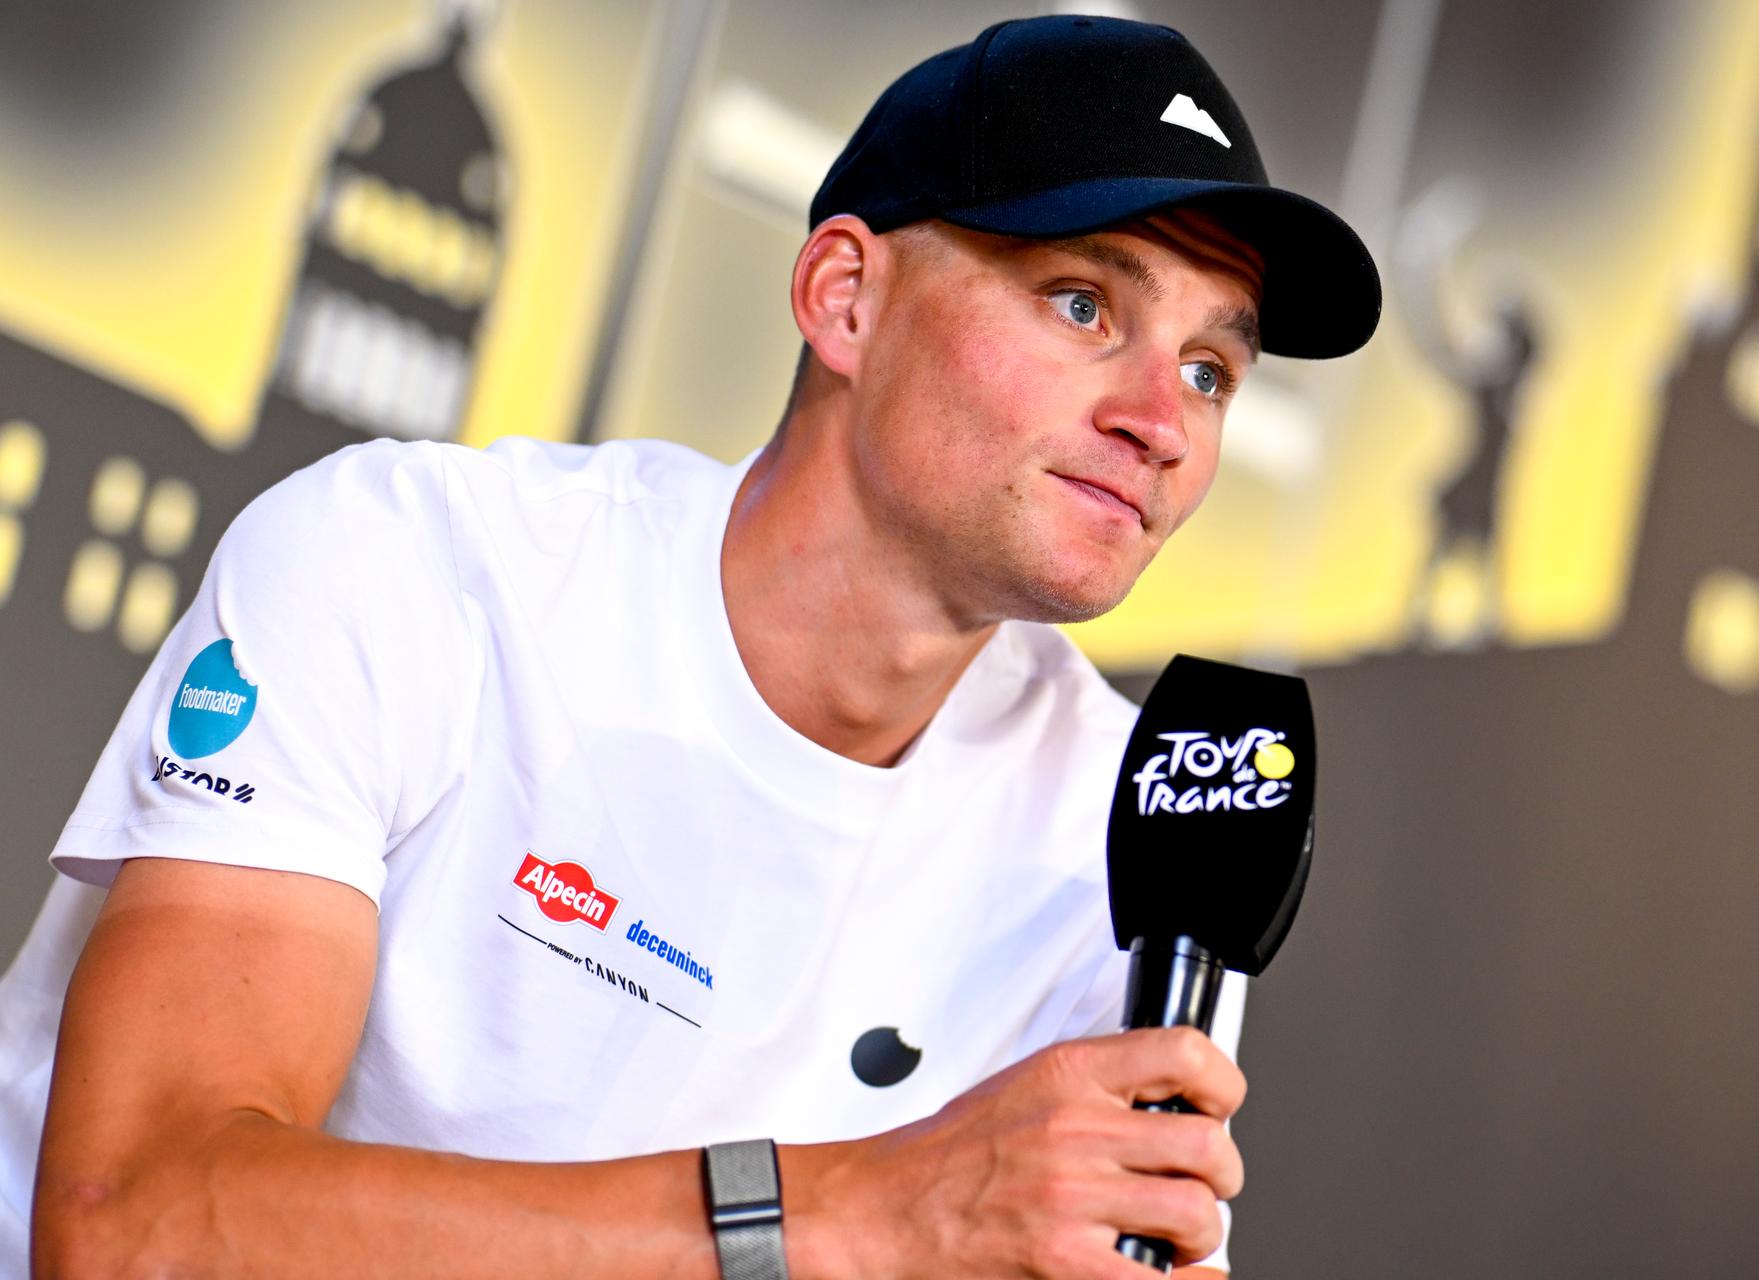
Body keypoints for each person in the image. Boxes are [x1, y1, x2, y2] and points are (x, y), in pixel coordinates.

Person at [0, 15, 1376, 1278]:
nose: (1167, 420)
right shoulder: (411, 564)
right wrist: (859, 1213)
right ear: (845, 297)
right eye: (1085, 305)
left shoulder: (1124, 825)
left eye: (1212, 369)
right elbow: (139, 1225)